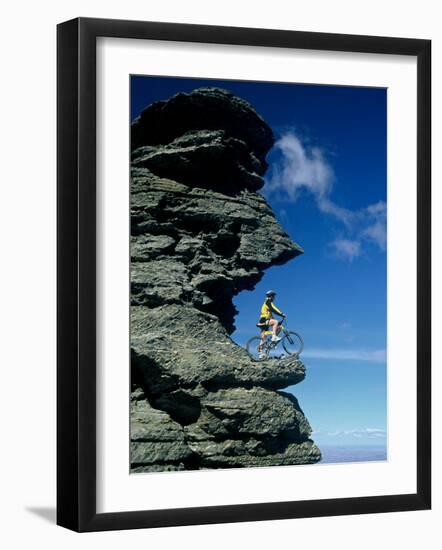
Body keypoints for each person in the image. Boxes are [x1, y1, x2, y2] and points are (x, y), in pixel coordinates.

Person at [256, 290, 286, 357]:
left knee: (263, 337)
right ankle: (273, 337)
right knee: (275, 322)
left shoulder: (267, 302)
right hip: (264, 319)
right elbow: (274, 309)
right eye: (274, 296)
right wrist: (281, 314)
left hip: (263, 320)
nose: (274, 298)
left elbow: (271, 315)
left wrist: (278, 323)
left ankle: (261, 353)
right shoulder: (268, 302)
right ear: (271, 296)